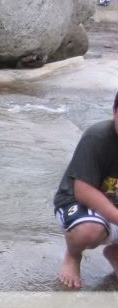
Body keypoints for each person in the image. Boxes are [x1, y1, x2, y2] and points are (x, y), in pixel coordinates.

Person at [54, 90, 118, 288]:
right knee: (89, 231)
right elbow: (83, 191)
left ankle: (114, 252)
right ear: (115, 112)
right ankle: (73, 256)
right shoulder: (97, 137)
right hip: (79, 203)